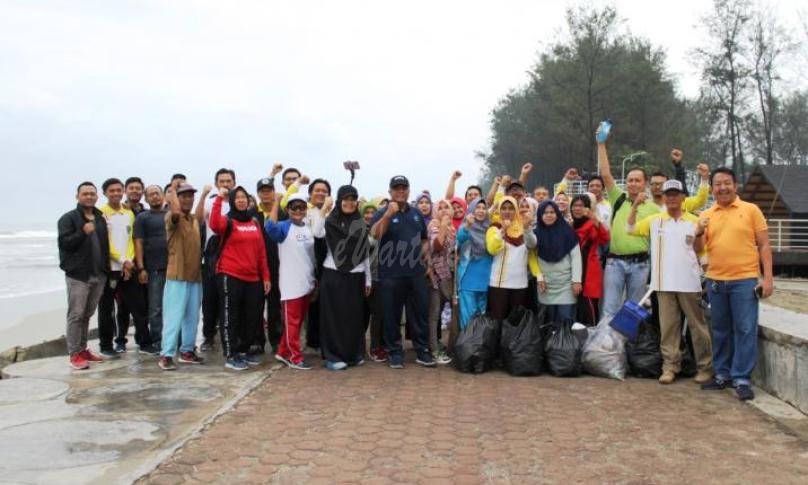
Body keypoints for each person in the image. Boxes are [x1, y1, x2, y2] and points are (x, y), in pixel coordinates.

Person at [628, 180, 714, 385]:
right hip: (663, 283)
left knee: (698, 327)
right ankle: (670, 367)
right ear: (664, 197)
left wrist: (707, 274)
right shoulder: (655, 220)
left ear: (683, 197)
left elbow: (701, 251)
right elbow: (630, 229)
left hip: (689, 283)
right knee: (668, 328)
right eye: (668, 194)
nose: (672, 198)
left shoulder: (695, 221)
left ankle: (705, 367)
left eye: (676, 194)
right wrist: (635, 206)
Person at [699, 167, 773, 401]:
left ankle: (741, 378)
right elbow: (698, 250)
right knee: (720, 329)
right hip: (716, 281)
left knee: (745, 329)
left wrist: (768, 278)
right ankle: (722, 374)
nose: (723, 188)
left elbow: (764, 245)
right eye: (718, 184)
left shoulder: (751, 210)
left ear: (735, 185)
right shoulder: (707, 215)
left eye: (727, 183)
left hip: (745, 280)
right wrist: (698, 232)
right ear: (712, 189)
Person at [370, 175, 435, 369]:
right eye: (396, 188)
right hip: (391, 274)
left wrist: (424, 255)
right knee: (392, 314)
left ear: (408, 190)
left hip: (415, 273)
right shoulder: (382, 212)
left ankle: (422, 351)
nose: (400, 191)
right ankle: (394, 352)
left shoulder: (416, 213)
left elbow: (424, 239)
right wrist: (388, 214)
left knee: (420, 313)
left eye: (403, 188)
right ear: (390, 191)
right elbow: (375, 234)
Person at [596, 127, 658, 318]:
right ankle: (606, 338)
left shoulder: (654, 209)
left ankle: (631, 338)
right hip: (614, 263)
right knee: (610, 308)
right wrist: (601, 144)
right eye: (630, 180)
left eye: (637, 180)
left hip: (640, 265)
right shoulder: (618, 198)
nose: (632, 183)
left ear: (645, 183)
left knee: (633, 310)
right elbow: (605, 174)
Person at [209, 185, 271, 371]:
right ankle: (231, 354)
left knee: (252, 317)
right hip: (230, 274)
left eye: (244, 197)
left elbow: (261, 252)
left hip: (253, 277)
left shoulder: (254, 222)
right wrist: (219, 199)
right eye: (237, 198)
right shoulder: (227, 221)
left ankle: (243, 350)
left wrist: (265, 276)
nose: (241, 200)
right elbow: (214, 224)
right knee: (230, 316)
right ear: (232, 201)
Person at [265, 193, 327, 370]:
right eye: (294, 207)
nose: (298, 211)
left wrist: (314, 281)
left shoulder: (308, 228)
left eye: (301, 207)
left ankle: (283, 351)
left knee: (297, 322)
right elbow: (269, 227)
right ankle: (295, 357)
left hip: (307, 282)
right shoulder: (283, 227)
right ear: (288, 209)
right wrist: (276, 201)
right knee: (292, 322)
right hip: (291, 284)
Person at [58, 182, 110, 369]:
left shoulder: (100, 218)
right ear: (77, 196)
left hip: (98, 274)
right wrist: (82, 232)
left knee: (87, 314)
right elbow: (65, 244)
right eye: (85, 193)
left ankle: (82, 349)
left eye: (92, 194)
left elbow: (104, 245)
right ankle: (74, 354)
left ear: (97, 197)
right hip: (79, 275)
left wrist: (106, 269)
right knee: (76, 315)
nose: (89, 196)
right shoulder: (68, 218)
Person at [97, 178, 152, 355]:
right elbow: (105, 242)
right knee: (107, 309)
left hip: (129, 268)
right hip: (110, 270)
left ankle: (145, 343)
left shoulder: (129, 213)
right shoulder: (101, 214)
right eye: (111, 190)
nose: (115, 193)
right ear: (105, 193)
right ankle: (106, 346)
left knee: (139, 307)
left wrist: (129, 261)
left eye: (118, 190)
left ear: (123, 192)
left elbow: (131, 240)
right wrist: (123, 261)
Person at [319, 185, 372, 370]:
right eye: (346, 199)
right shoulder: (330, 221)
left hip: (356, 276)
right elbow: (317, 232)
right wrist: (324, 208)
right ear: (339, 201)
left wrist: (368, 279)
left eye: (353, 199)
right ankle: (333, 357)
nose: (349, 203)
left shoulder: (360, 224)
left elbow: (365, 253)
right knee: (334, 317)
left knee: (354, 317)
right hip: (333, 274)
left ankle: (353, 354)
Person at [158, 182, 205, 370]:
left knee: (192, 317)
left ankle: (187, 351)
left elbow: (200, 217)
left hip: (195, 276)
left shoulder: (192, 219)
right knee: (174, 317)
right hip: (177, 276)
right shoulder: (172, 217)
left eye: (190, 196)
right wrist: (171, 192)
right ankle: (166, 355)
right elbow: (176, 212)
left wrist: (204, 195)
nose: (188, 199)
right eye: (184, 196)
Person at [195, 168, 236, 351]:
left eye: (228, 181)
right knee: (209, 301)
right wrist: (204, 195)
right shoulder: (211, 203)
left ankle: (232, 337)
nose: (225, 184)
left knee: (230, 301)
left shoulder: (239, 202)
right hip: (211, 257)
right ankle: (208, 337)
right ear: (216, 184)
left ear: (234, 183)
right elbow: (197, 219)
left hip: (233, 258)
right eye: (222, 181)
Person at [486, 196, 540, 321]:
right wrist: (503, 230)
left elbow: (532, 245)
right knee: (498, 320)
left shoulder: (524, 227)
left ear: (516, 210)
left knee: (516, 322)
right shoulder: (494, 228)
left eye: (511, 208)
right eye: (504, 208)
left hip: (520, 283)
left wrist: (526, 228)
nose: (507, 211)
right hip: (499, 283)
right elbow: (492, 249)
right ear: (499, 210)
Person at [133, 185, 168, 353]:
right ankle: (157, 340)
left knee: (173, 307)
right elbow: (138, 242)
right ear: (146, 199)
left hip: (174, 268)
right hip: (153, 268)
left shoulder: (170, 215)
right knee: (155, 308)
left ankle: (174, 339)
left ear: (163, 196)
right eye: (151, 195)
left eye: (157, 193)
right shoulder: (142, 217)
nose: (154, 197)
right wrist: (141, 268)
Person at [535, 200, 582, 323]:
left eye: (552, 212)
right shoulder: (535, 234)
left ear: (557, 214)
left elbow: (576, 258)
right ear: (540, 215)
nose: (549, 215)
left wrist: (576, 281)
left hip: (566, 285)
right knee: (549, 323)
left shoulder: (568, 232)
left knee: (566, 321)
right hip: (545, 285)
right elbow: (531, 255)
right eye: (545, 213)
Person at [253, 177, 283, 355]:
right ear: (258, 193)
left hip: (277, 265)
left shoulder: (282, 212)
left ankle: (276, 340)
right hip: (255, 267)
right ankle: (257, 341)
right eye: (262, 190)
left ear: (274, 192)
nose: (266, 193)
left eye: (269, 190)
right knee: (255, 306)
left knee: (275, 306)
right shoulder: (251, 213)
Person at [570, 194, 610, 326]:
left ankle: (591, 335)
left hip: (589, 272)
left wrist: (595, 219)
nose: (577, 208)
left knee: (589, 309)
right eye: (575, 205)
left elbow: (605, 238)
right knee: (574, 309)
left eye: (581, 206)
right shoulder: (569, 225)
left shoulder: (592, 225)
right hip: (572, 272)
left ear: (587, 208)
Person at [456, 198, 492, 330]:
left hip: (486, 281)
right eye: (477, 208)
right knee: (468, 319)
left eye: (483, 208)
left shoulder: (490, 229)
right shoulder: (465, 227)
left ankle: (480, 342)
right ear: (471, 210)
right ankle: (467, 342)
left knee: (483, 319)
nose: (481, 211)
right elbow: (458, 241)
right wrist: (467, 226)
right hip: (468, 281)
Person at [427, 199, 456, 364]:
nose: (444, 210)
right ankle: (434, 350)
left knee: (445, 313)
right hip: (435, 276)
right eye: (440, 208)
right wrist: (443, 226)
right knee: (434, 314)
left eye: (447, 207)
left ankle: (447, 346)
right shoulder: (434, 226)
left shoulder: (453, 229)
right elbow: (436, 247)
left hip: (449, 276)